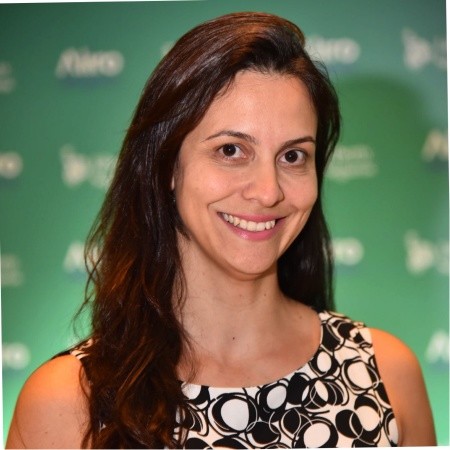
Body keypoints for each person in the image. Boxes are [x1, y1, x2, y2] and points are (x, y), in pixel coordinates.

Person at [6, 11, 436, 449]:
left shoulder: (387, 374)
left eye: (292, 156)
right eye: (231, 150)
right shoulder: (68, 403)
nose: (268, 191)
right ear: (166, 165)